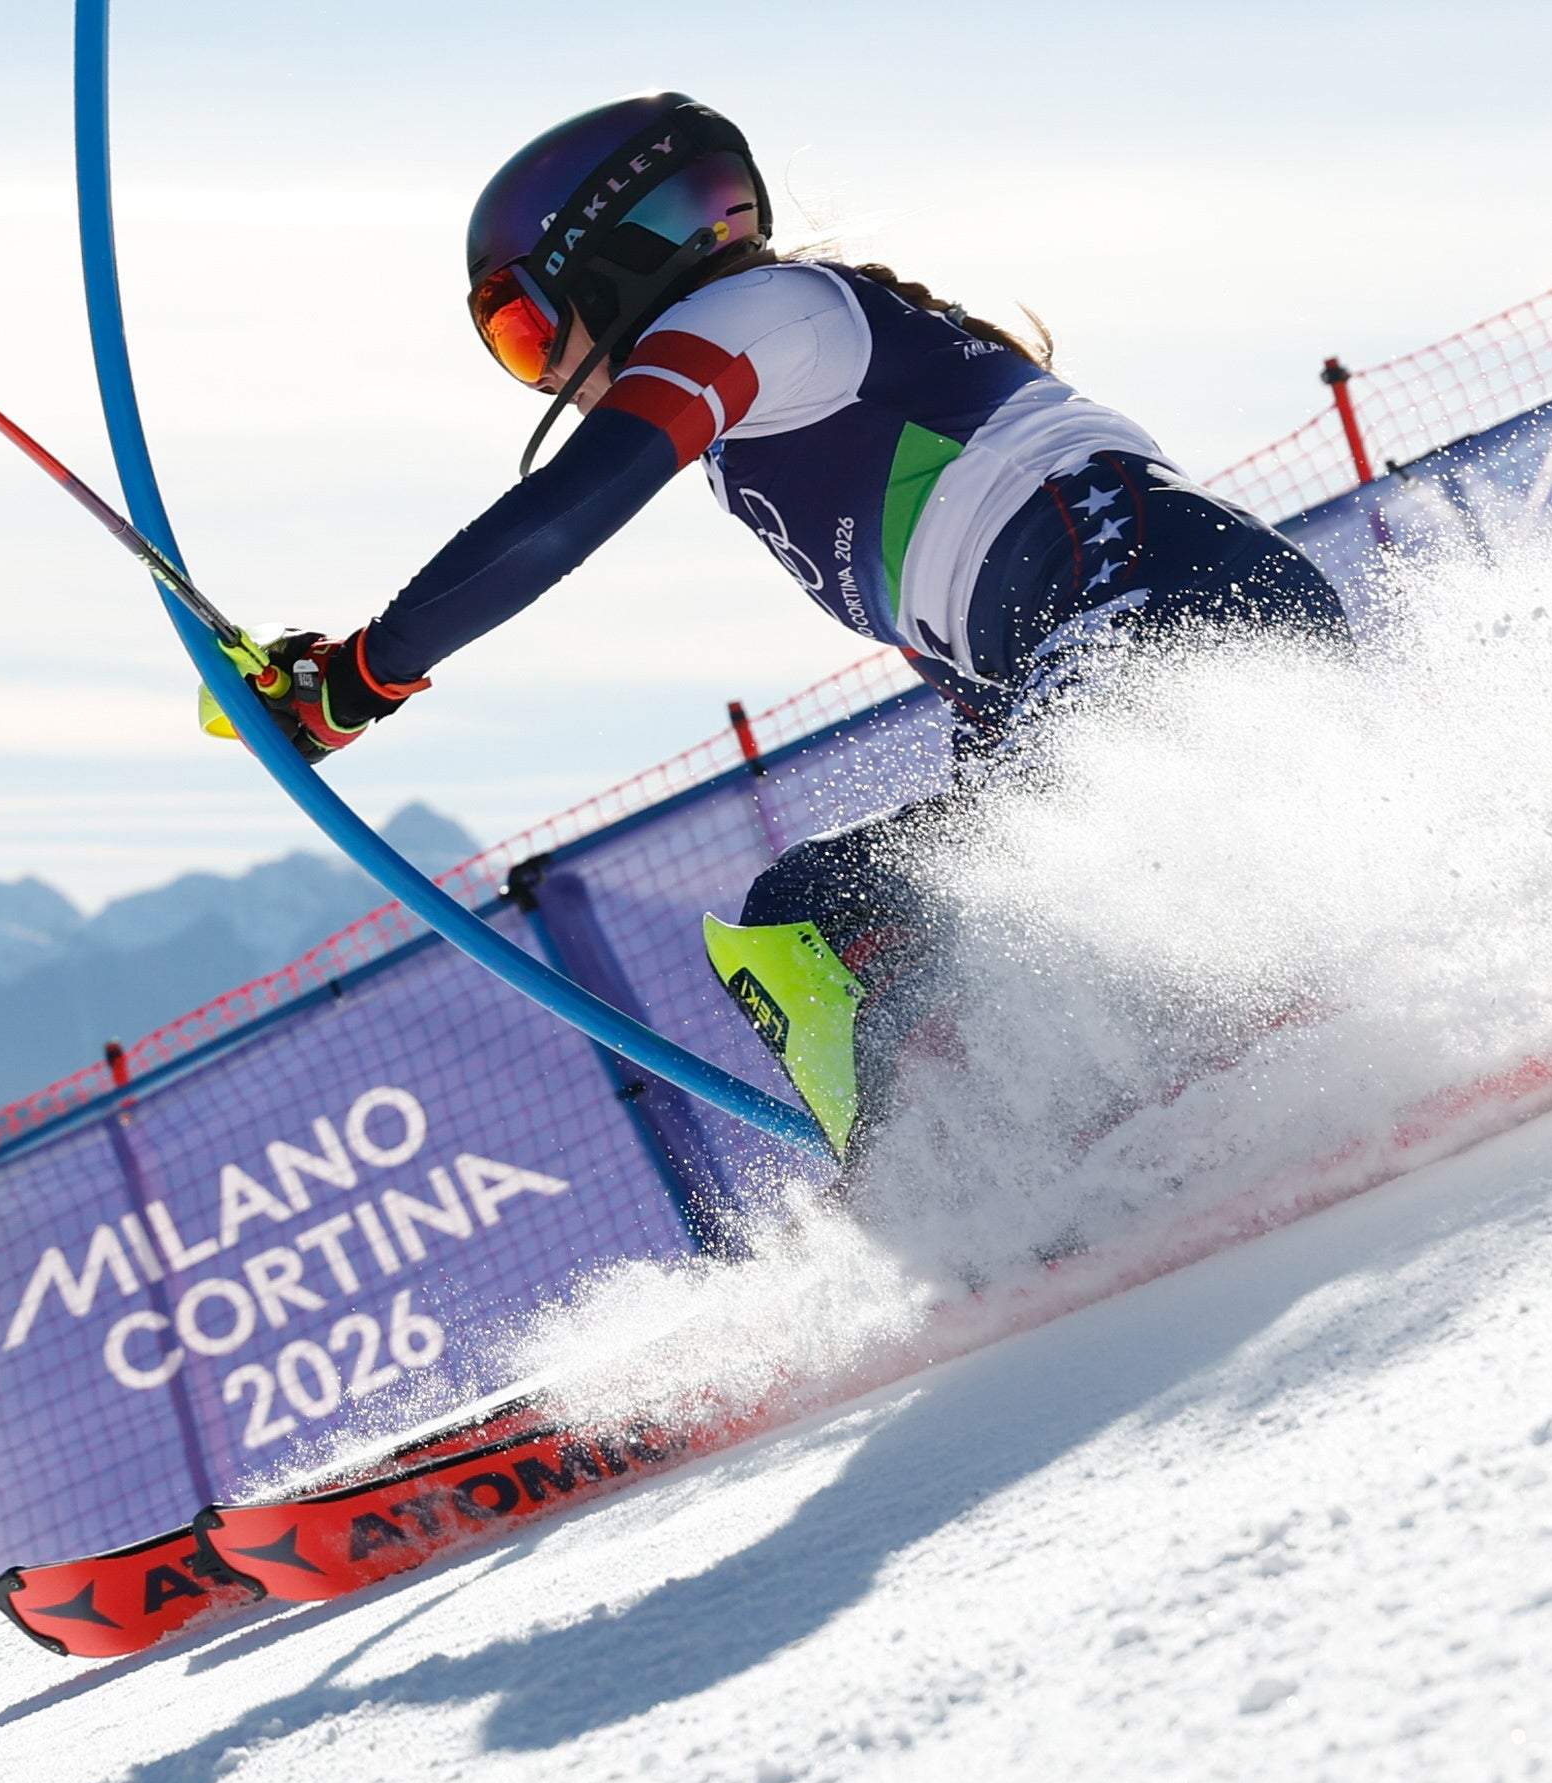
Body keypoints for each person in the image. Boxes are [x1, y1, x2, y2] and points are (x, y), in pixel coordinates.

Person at [228, 93, 1351, 1150]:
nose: (542, 373)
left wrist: (360, 676)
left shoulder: (758, 314)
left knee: (820, 930)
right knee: (870, 916)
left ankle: (981, 1175)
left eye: (526, 326)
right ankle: (1124, 1120)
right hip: (1168, 617)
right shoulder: (783, 408)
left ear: (616, 257)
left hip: (1158, 601)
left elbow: (559, 517)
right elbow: (978, 652)